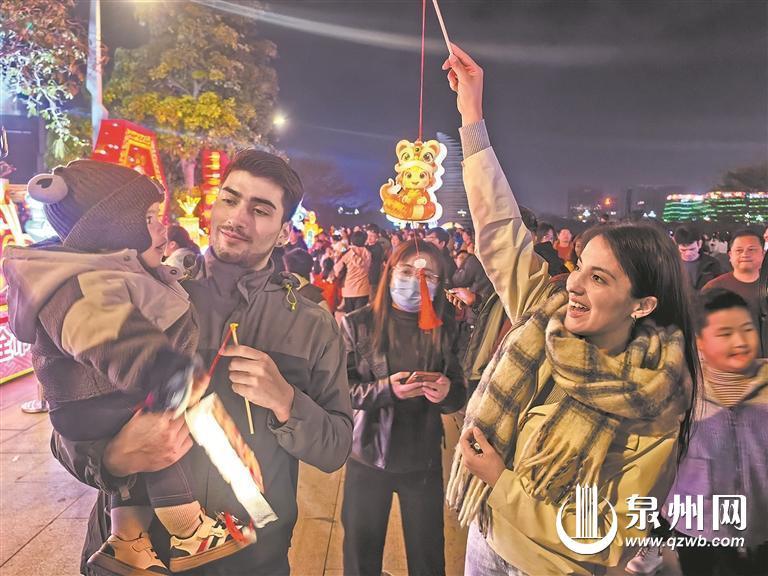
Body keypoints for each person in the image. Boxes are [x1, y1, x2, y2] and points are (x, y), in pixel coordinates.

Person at [443, 43, 698, 576]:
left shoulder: (654, 397)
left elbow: (611, 536)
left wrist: (500, 482)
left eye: (599, 278)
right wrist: (471, 116)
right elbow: (500, 231)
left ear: (643, 304)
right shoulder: (548, 315)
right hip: (485, 540)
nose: (574, 284)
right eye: (580, 264)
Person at [50, 149, 354, 575]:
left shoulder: (310, 324)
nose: (237, 218)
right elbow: (69, 416)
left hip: (251, 558)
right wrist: (115, 457)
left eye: (260, 210)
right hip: (133, 558)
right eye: (230, 199)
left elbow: (336, 447)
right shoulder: (144, 293)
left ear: (285, 232)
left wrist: (286, 400)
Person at [4, 160, 253, 575]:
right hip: (100, 399)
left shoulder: (111, 271)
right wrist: (166, 372)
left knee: (148, 449)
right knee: (161, 436)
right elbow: (110, 332)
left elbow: (144, 292)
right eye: (150, 218)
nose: (163, 227)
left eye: (261, 210)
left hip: (101, 399)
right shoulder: (78, 282)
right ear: (110, 228)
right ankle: (190, 531)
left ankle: (128, 542)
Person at [340, 240, 465, 576]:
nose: (415, 282)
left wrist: (447, 392)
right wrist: (387, 390)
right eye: (407, 272)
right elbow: (340, 391)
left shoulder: (445, 326)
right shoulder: (357, 323)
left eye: (428, 277)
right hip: (368, 456)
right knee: (360, 557)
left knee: (428, 558)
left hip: (422, 459)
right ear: (391, 272)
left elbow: (459, 392)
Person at [661, 289, 768, 576]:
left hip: (762, 529)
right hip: (698, 531)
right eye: (725, 334)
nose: (740, 341)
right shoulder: (679, 393)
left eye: (747, 329)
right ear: (699, 341)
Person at [703, 229, 765, 347]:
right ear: (730, 255)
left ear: (763, 254)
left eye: (751, 249)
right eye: (739, 250)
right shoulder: (714, 289)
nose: (745, 254)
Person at [673, 225, 722, 290]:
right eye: (683, 250)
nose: (688, 254)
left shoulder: (712, 264)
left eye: (692, 249)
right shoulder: (670, 265)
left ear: (700, 244)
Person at [335, 229, 372, 312]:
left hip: (348, 289)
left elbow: (337, 270)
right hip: (363, 289)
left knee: (350, 316)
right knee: (360, 316)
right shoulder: (368, 253)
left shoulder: (346, 253)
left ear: (352, 240)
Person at [365, 223, 386, 291]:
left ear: (377, 237)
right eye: (367, 235)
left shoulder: (377, 248)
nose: (369, 238)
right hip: (366, 277)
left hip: (373, 277)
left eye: (372, 236)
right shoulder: (367, 246)